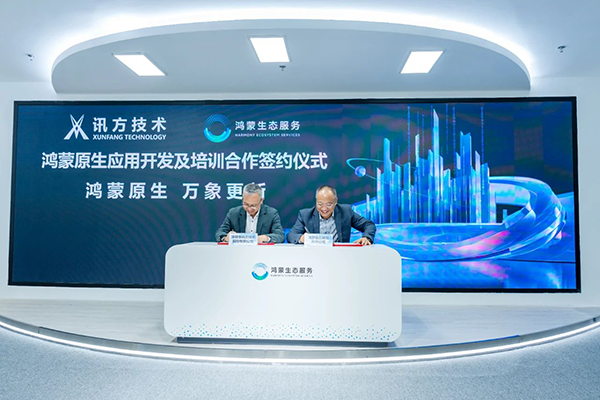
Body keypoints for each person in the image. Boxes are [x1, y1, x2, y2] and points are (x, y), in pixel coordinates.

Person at [287, 185, 376, 245]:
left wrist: (366, 238)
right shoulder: (305, 215)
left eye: (328, 204)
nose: (324, 208)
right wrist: (302, 238)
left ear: (335, 201)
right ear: (316, 200)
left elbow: (368, 225)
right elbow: (291, 235)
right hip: (315, 255)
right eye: (320, 204)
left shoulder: (346, 211)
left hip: (340, 255)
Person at [215, 183, 284, 243]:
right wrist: (226, 238)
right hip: (238, 251)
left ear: (261, 201)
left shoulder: (271, 214)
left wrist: (266, 238)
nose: (249, 209)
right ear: (243, 199)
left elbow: (280, 236)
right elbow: (219, 233)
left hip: (262, 252)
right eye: (246, 204)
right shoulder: (233, 213)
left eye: (253, 205)